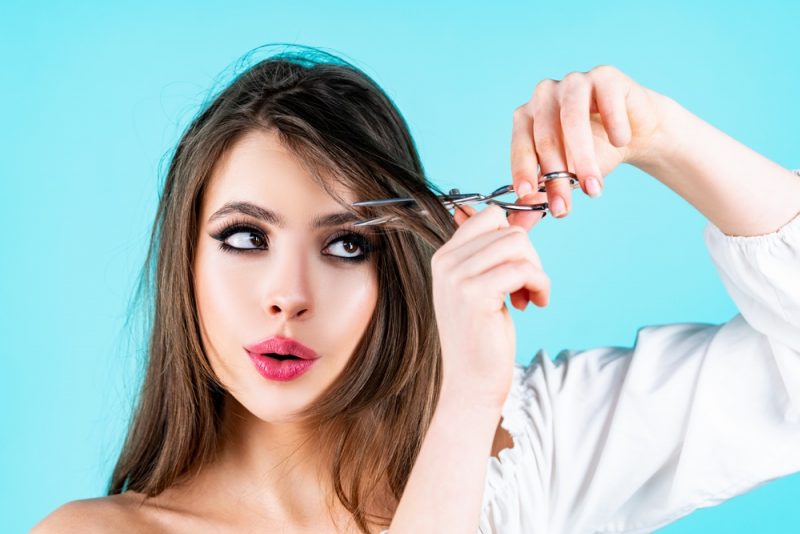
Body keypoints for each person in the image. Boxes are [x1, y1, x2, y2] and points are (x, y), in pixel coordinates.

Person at [32, 46, 800, 533]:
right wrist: (463, 402)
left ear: (394, 266)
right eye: (245, 238)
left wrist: (662, 136)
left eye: (344, 244)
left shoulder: (523, 454)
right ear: (184, 264)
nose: (286, 296)